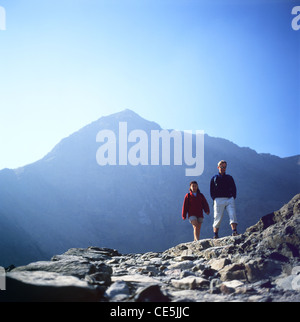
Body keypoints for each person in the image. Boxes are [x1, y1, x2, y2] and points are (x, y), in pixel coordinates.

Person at [210, 160, 238, 238]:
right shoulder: (214, 178)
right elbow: (211, 190)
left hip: (229, 199)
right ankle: (215, 235)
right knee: (217, 217)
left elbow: (234, 188)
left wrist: (233, 197)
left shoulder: (229, 177)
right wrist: (214, 198)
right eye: (222, 167)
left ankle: (234, 231)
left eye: (225, 167)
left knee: (232, 214)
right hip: (218, 199)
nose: (223, 168)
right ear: (218, 167)